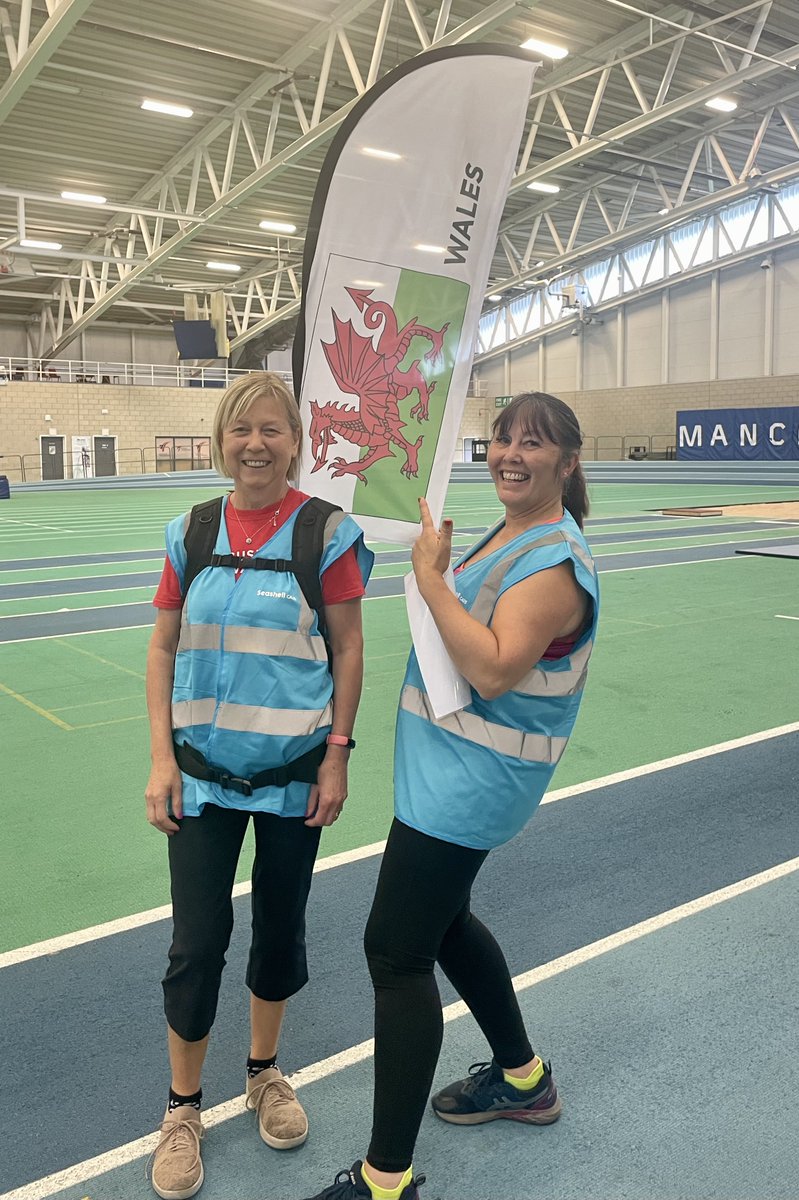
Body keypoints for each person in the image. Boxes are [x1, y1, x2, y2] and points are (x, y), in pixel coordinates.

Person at [301, 391, 599, 1200]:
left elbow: (497, 667)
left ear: (566, 463)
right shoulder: (512, 530)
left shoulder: (552, 560)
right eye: (502, 438)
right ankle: (523, 1078)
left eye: (531, 444)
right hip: (449, 774)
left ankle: (384, 1179)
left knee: (396, 953)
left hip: (471, 786)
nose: (509, 453)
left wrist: (431, 580)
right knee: (448, 924)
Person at [145, 371, 373, 1200]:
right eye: (242, 429)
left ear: (294, 442)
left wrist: (338, 753)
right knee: (196, 945)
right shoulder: (192, 531)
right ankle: (181, 1110)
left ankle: (266, 1073)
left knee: (280, 933)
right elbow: (164, 648)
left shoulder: (327, 533)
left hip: (292, 781)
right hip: (200, 780)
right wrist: (163, 759)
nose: (255, 444)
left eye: (272, 429)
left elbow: (348, 648)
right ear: (221, 439)